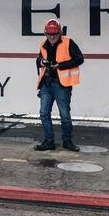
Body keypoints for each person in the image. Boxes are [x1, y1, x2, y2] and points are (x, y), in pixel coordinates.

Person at [35, 18, 84, 152]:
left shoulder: (68, 42)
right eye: (49, 34)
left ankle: (67, 141)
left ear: (60, 33)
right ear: (45, 33)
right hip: (46, 83)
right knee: (44, 113)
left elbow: (80, 59)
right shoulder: (43, 44)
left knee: (64, 115)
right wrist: (41, 62)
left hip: (62, 85)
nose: (52, 37)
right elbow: (39, 59)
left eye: (55, 34)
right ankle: (49, 141)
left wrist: (60, 65)